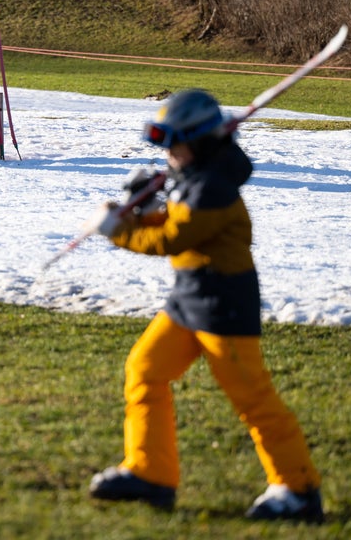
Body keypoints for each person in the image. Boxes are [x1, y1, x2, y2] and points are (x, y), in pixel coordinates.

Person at [82, 89, 323, 523]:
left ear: (202, 142)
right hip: (189, 298)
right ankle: (150, 473)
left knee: (254, 400)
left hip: (223, 305)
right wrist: (140, 208)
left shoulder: (212, 187)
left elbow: (173, 238)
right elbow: (174, 219)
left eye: (175, 145)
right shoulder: (197, 174)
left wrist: (120, 230)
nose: (169, 155)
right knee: (146, 370)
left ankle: (298, 489)